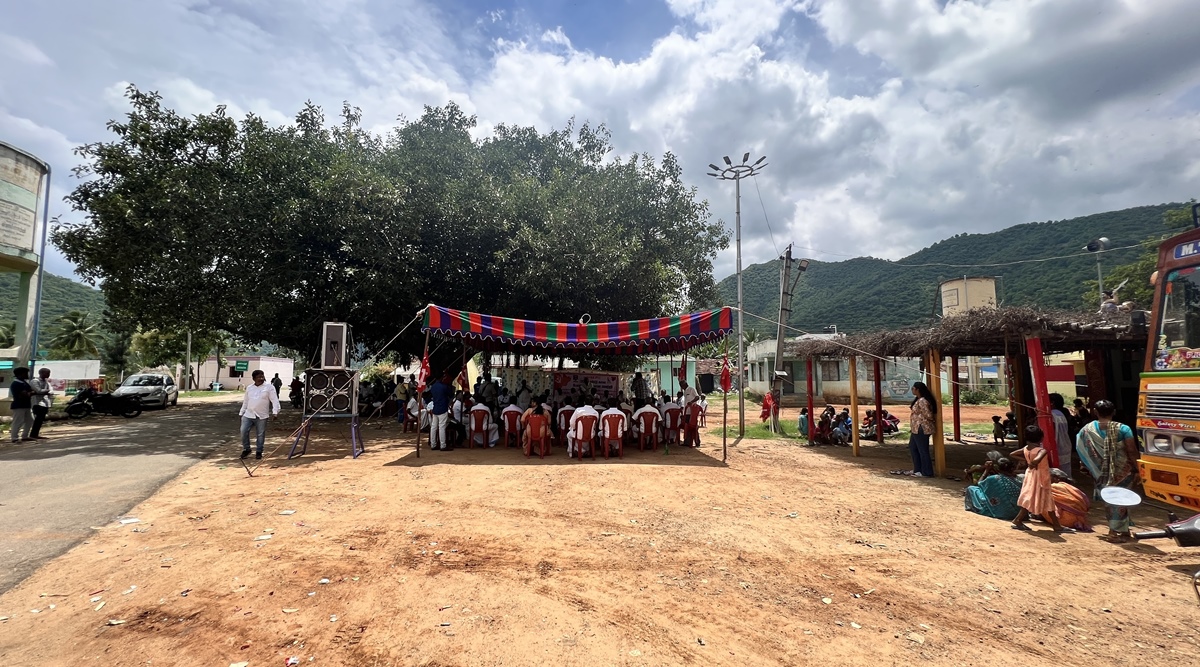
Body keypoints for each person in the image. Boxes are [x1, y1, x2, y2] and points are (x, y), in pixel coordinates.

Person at [1075, 399, 1140, 542]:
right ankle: (1114, 531)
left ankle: (1121, 530)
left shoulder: (1086, 430)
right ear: (1114, 412)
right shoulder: (1123, 429)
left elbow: (1081, 449)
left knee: (1111, 501)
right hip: (1124, 470)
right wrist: (1138, 469)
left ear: (1095, 412)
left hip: (1100, 472)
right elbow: (1132, 450)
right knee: (1122, 500)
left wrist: (1089, 466)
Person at [1011, 425, 1073, 533]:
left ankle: (1018, 519)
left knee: (1030, 497)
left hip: (1031, 476)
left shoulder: (1025, 448)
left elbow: (1012, 454)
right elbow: (1037, 459)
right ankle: (1057, 526)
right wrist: (1033, 462)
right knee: (1048, 500)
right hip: (1041, 478)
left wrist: (1027, 461)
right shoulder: (1041, 450)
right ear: (1041, 438)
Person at [238, 369, 280, 460]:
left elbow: (274, 400)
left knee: (260, 434)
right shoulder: (249, 388)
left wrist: (275, 412)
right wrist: (241, 412)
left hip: (262, 415)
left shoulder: (269, 387)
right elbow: (246, 401)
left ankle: (259, 451)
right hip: (248, 414)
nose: (261, 378)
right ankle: (247, 449)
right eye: (259, 377)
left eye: (262, 376)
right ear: (253, 378)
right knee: (243, 431)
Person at [963, 456, 1022, 521]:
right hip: (1017, 512)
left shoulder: (994, 478)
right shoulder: (1019, 479)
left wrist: (987, 470)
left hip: (1003, 513)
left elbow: (979, 484)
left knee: (971, 488)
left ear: (998, 468)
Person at [908, 381, 937, 477]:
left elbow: (928, 414)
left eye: (913, 388)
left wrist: (920, 417)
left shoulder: (922, 401)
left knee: (922, 450)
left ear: (917, 389)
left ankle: (927, 472)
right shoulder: (918, 399)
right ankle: (918, 470)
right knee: (913, 447)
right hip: (915, 428)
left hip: (922, 428)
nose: (912, 390)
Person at [8, 367, 33, 443]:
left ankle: (25, 436)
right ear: (20, 374)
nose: (27, 375)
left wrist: (30, 393)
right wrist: (31, 393)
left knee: (30, 420)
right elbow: (25, 394)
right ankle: (14, 438)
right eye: (25, 373)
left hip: (26, 405)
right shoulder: (16, 384)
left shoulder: (23, 382)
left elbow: (29, 392)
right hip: (19, 405)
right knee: (18, 421)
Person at [429, 372, 453, 451]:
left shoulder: (433, 387)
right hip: (443, 408)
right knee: (442, 427)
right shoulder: (444, 387)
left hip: (435, 408)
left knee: (433, 427)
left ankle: (433, 444)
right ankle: (443, 445)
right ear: (442, 378)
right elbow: (451, 394)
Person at [1049, 393, 1072, 476]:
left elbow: (1052, 432)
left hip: (1057, 446)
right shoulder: (1061, 413)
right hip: (1065, 445)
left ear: (1052, 403)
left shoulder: (1051, 415)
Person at [28, 367, 53, 440]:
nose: (48, 374)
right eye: (47, 373)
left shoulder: (46, 382)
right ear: (41, 373)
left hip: (45, 402)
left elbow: (51, 391)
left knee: (41, 419)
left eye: (49, 373)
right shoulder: (35, 381)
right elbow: (38, 391)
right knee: (38, 419)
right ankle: (33, 434)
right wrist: (46, 391)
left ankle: (36, 434)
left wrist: (46, 391)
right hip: (37, 403)